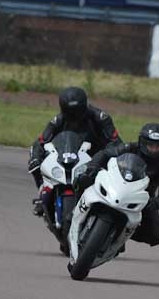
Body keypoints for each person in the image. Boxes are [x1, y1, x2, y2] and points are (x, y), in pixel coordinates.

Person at [73, 123, 159, 247]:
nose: (154, 149)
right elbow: (105, 154)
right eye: (151, 145)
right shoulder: (130, 147)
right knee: (84, 178)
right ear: (142, 142)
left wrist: (155, 203)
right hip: (115, 183)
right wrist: (93, 166)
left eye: (157, 146)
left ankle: (121, 234)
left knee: (155, 235)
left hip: (142, 196)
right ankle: (74, 210)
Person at [28, 86, 122, 216]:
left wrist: (106, 154)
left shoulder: (100, 117)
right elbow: (40, 142)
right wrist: (35, 158)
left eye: (77, 112)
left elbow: (116, 142)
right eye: (70, 112)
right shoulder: (58, 120)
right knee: (35, 159)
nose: (74, 116)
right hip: (67, 154)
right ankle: (42, 194)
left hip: (95, 158)